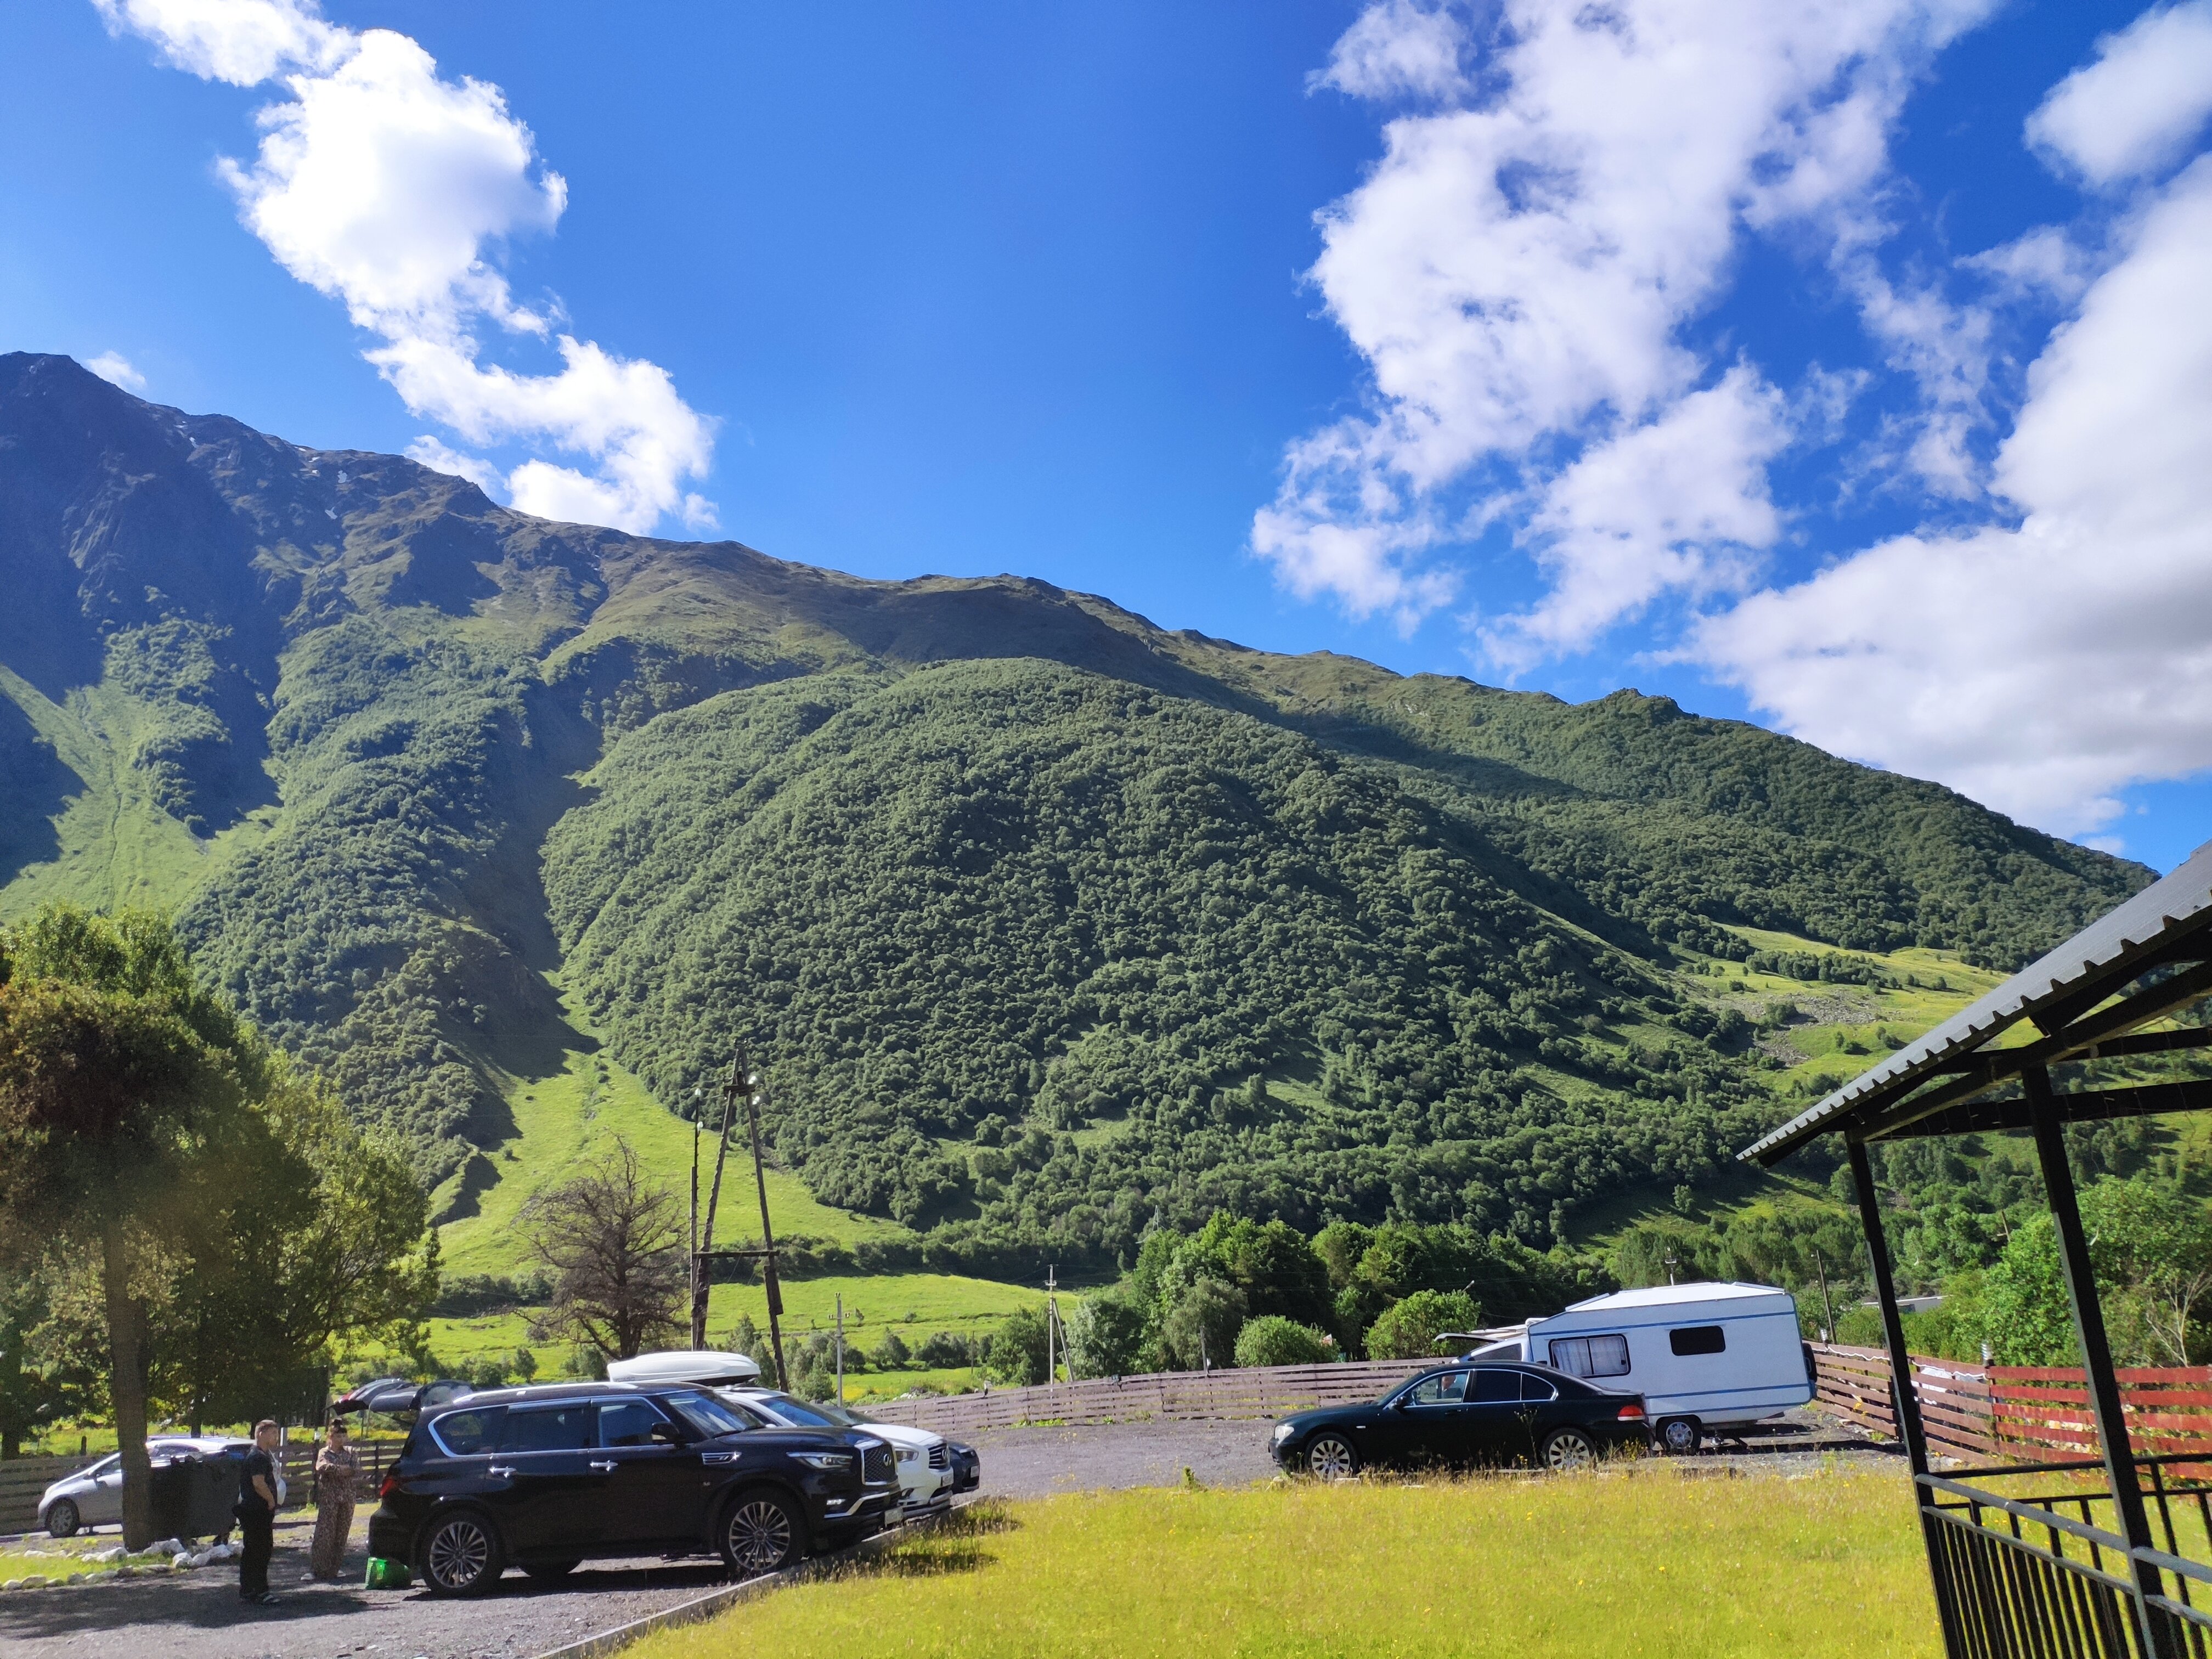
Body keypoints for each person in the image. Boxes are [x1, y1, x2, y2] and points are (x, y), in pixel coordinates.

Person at [309, 1418, 361, 1581]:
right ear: (331, 1437)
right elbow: (322, 1467)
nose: (341, 1440)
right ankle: (317, 1570)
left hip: (347, 1498)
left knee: (341, 1534)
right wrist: (341, 1469)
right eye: (338, 1437)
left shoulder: (351, 1452)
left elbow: (356, 1470)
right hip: (330, 1499)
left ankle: (334, 1569)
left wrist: (337, 1470)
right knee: (325, 1534)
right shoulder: (324, 1453)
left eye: (343, 1437)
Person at [235, 1420, 281, 1605]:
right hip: (257, 1510)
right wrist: (270, 1499)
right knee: (261, 1551)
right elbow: (258, 1483)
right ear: (261, 1433)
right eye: (273, 1433)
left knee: (253, 1550)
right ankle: (261, 1590)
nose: (276, 1437)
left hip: (255, 1511)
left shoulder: (262, 1455)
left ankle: (249, 1589)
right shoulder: (258, 1457)